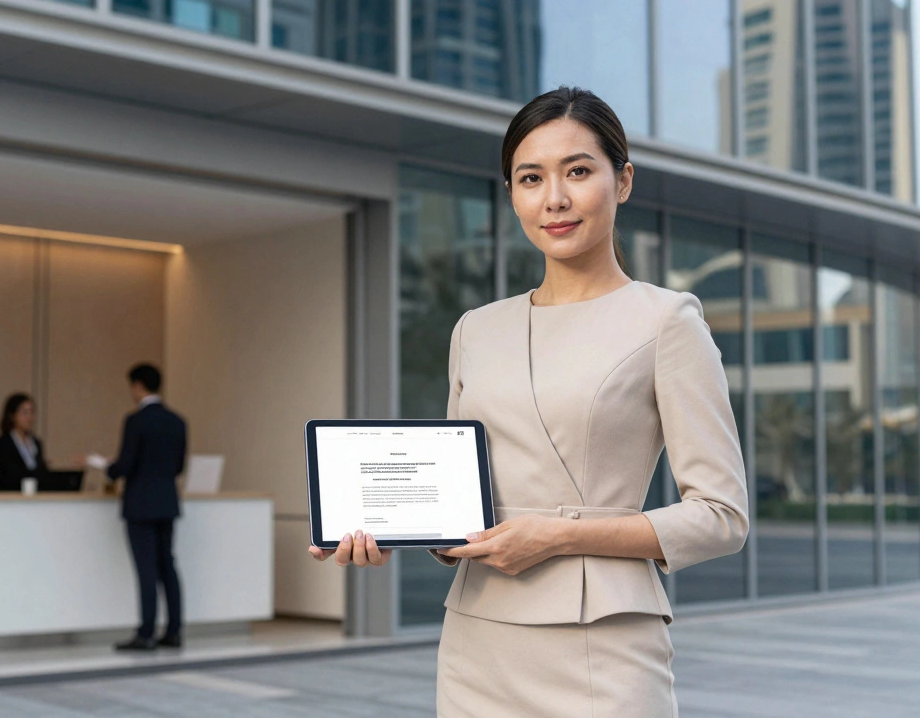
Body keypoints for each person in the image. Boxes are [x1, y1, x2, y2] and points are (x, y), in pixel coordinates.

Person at [309, 86, 749, 717]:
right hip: (478, 640)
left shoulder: (668, 321)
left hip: (602, 647)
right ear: (511, 193)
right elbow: (462, 504)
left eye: (578, 171)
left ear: (622, 181)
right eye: (530, 178)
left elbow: (721, 517)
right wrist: (384, 526)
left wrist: (558, 536)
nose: (555, 199)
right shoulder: (476, 328)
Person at [97, 364, 187, 652]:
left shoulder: (135, 421)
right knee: (168, 567)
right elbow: (178, 466)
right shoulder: (177, 421)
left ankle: (146, 632)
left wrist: (103, 465)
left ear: (138, 386)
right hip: (166, 502)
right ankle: (173, 630)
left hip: (140, 505)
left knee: (146, 569)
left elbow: (124, 465)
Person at [0, 393, 49, 488]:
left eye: (31, 412)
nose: (29, 417)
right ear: (12, 416)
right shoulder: (2, 443)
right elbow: (10, 473)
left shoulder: (36, 443)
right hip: (12, 497)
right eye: (24, 412)